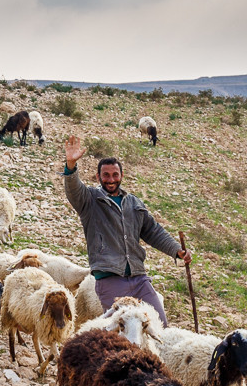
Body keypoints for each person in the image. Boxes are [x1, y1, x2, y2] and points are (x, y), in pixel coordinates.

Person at [60, 135, 191, 325]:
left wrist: (176, 250)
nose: (111, 179)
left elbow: (153, 231)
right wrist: (70, 165)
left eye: (115, 174)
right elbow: (73, 190)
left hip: (139, 278)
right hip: (110, 279)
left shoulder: (134, 203)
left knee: (159, 325)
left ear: (121, 176)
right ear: (98, 177)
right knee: (123, 331)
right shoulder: (89, 200)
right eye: (106, 175)